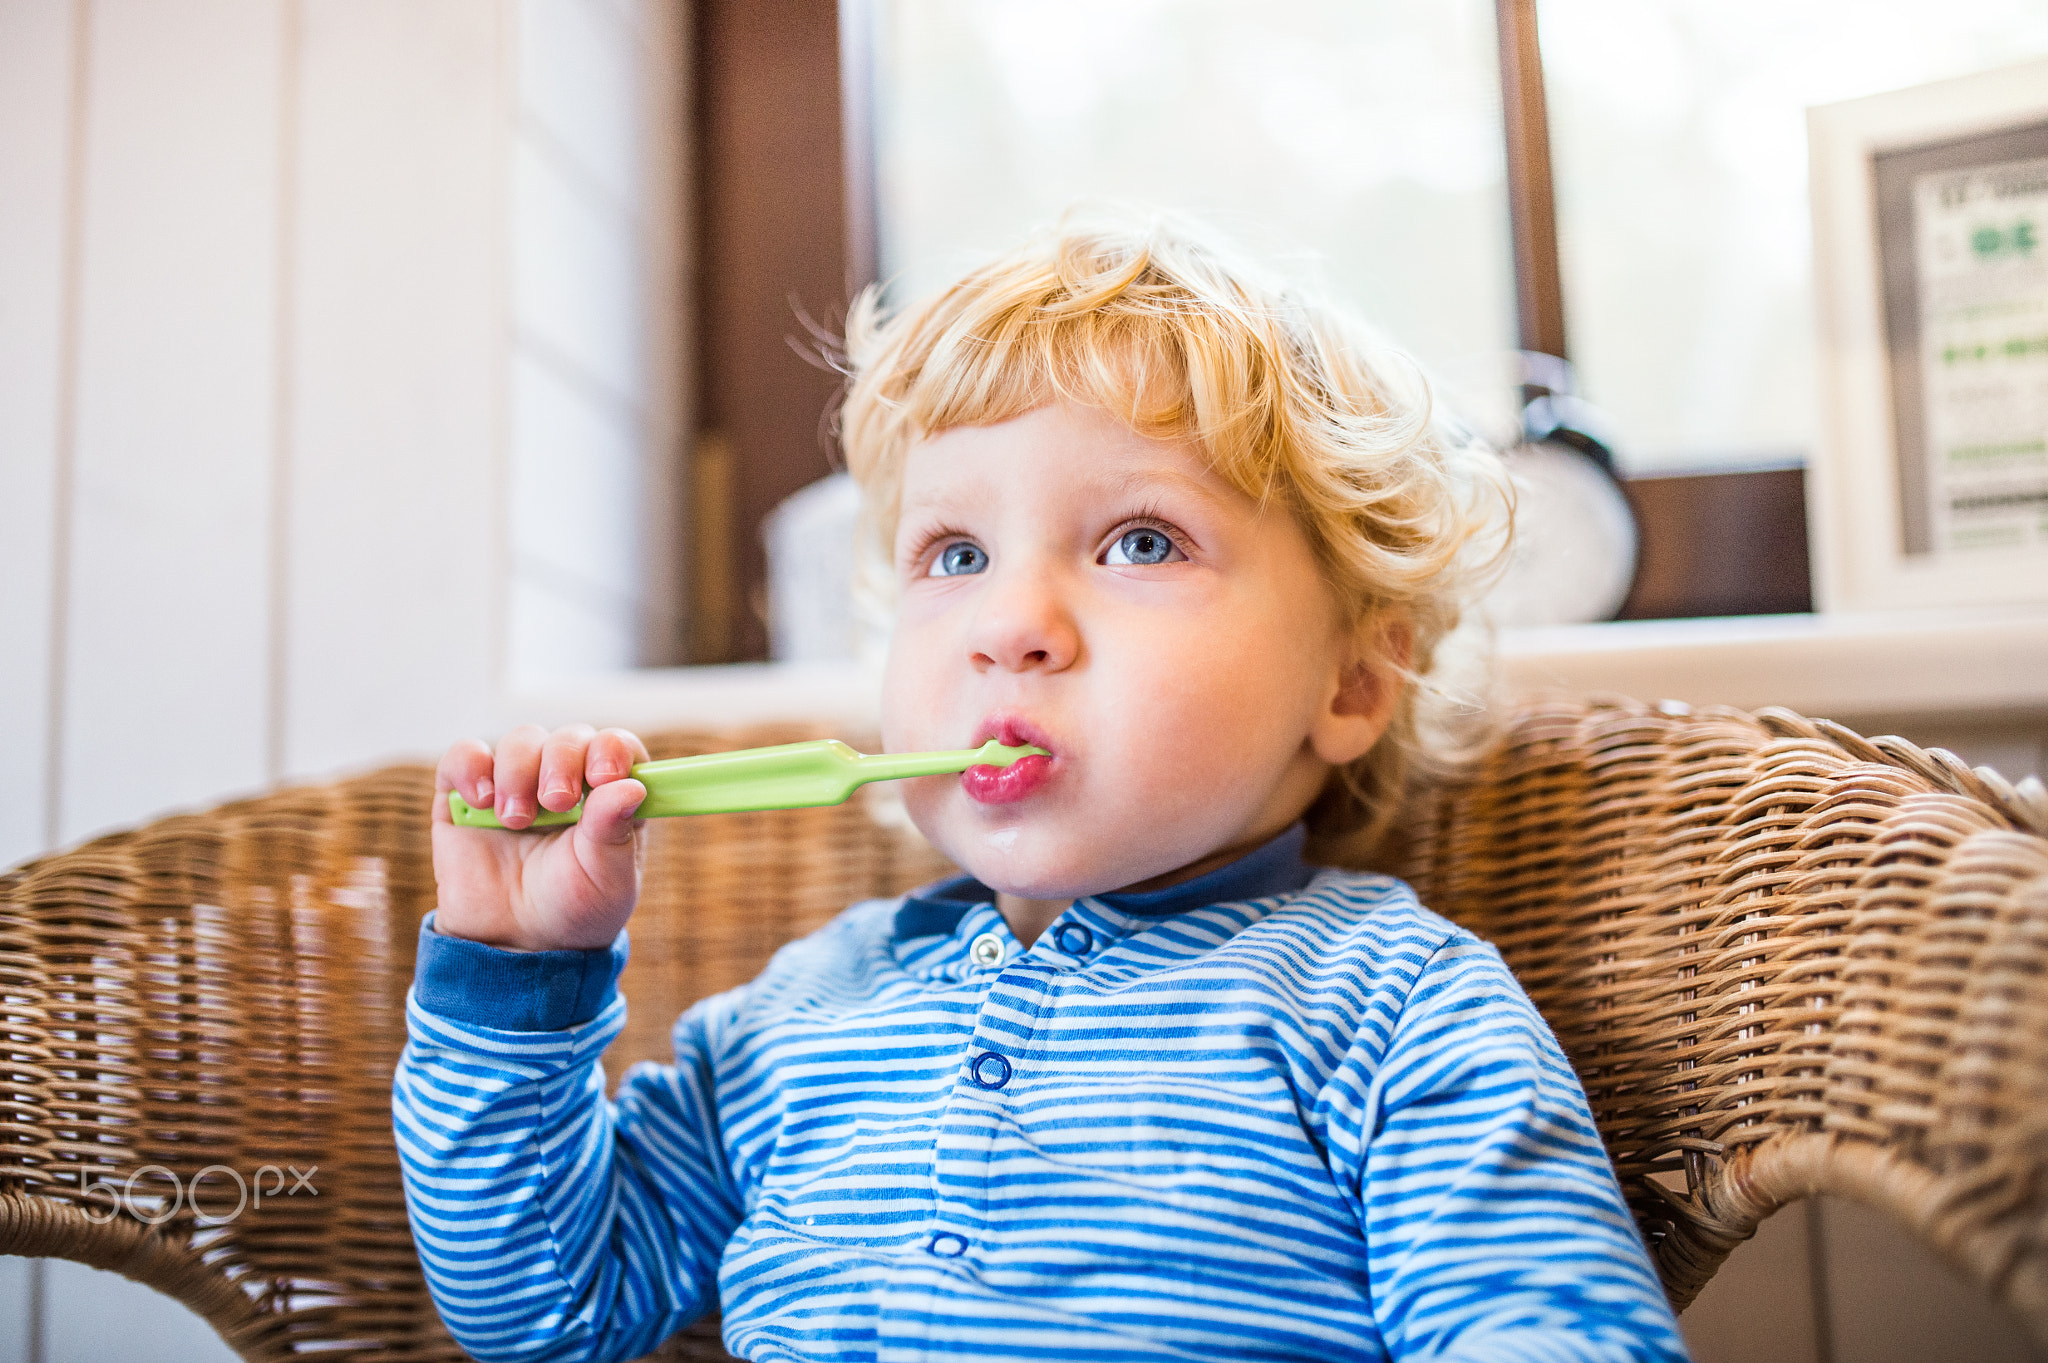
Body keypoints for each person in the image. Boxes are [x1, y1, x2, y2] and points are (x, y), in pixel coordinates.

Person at [394, 213, 1692, 1363]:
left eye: (1140, 541)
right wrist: (515, 980)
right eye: (954, 552)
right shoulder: (798, 1018)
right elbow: (545, 1313)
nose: (1010, 623)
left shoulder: (1394, 1009)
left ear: (1352, 683)